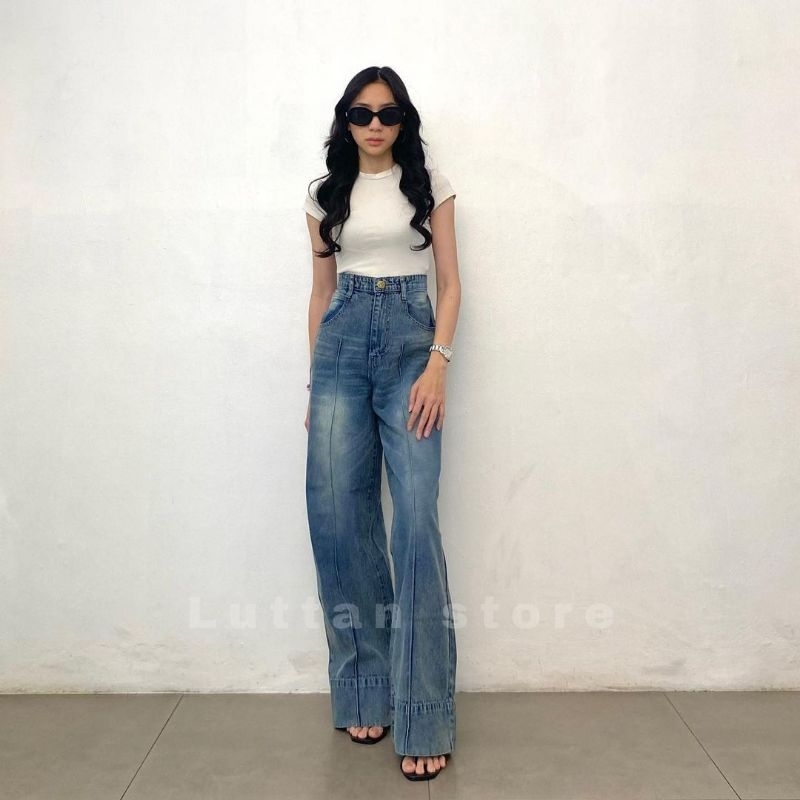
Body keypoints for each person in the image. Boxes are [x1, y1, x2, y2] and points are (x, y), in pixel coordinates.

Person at [302, 65, 461, 782]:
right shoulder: (323, 194)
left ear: (404, 121)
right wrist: (317, 382)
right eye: (362, 113)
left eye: (388, 113)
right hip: (339, 350)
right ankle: (365, 687)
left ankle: (424, 711)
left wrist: (438, 364)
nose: (375, 125)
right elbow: (321, 293)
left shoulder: (430, 186)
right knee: (339, 515)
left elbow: (451, 284)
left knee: (415, 519)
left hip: (410, 352)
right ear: (346, 120)